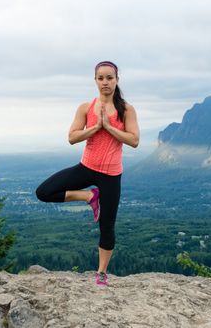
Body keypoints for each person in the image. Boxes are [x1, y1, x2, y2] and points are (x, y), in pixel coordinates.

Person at [36, 61, 139, 286]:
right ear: (95, 80)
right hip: (86, 168)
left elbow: (134, 140)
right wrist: (95, 128)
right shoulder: (85, 107)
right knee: (43, 191)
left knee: (107, 225)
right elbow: (72, 137)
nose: (105, 82)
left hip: (111, 175)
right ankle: (88, 196)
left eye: (109, 78)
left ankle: (101, 272)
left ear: (117, 80)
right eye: (100, 78)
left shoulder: (126, 110)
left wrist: (110, 127)